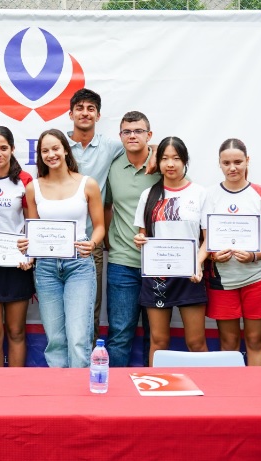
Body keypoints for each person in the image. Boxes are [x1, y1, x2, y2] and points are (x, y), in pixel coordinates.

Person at [17, 129, 104, 368]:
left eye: (55, 148)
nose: (51, 154)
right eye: (45, 150)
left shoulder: (88, 184)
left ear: (65, 149)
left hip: (79, 264)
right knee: (55, 339)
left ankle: (80, 398)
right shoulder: (33, 187)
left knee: (78, 338)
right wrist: (27, 248)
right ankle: (60, 396)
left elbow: (99, 227)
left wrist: (92, 243)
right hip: (46, 267)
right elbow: (32, 230)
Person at [201, 138, 261, 366]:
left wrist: (255, 255)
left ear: (247, 161)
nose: (232, 167)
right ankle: (232, 397)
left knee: (255, 340)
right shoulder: (209, 195)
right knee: (228, 342)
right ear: (219, 164)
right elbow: (206, 240)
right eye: (226, 163)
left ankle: (256, 395)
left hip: (258, 277)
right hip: (223, 280)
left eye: (238, 161)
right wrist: (215, 255)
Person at [132, 137, 208, 363]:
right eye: (164, 158)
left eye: (176, 158)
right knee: (159, 341)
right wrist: (139, 239)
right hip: (158, 275)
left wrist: (198, 263)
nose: (170, 164)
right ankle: (156, 391)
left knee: (196, 342)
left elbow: (208, 239)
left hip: (190, 276)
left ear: (185, 161)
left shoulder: (199, 193)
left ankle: (207, 390)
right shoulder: (148, 195)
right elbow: (142, 234)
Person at [105, 111, 161, 366]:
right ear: (120, 136)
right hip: (122, 262)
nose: (132, 136)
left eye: (138, 131)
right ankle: (114, 397)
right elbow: (106, 207)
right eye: (127, 131)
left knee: (157, 336)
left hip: (159, 263)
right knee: (119, 334)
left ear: (149, 135)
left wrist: (159, 152)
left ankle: (156, 389)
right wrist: (108, 241)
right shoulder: (113, 167)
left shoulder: (165, 163)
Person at [66, 89, 124, 335]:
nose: (85, 113)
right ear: (71, 114)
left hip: (92, 242)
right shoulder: (58, 145)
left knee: (90, 308)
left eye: (91, 109)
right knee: (58, 308)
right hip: (58, 241)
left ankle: (86, 367)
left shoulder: (111, 146)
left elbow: (144, 146)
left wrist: (153, 156)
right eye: (80, 108)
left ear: (98, 116)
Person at [0, 126, 34, 367]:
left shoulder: (25, 180)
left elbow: (32, 223)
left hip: (17, 264)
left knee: (16, 332)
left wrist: (30, 255)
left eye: (4, 148)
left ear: (12, 149)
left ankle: (15, 389)